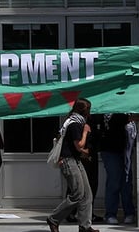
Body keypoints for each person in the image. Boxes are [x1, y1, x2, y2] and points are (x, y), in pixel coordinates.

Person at [46, 98, 100, 232]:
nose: (90, 113)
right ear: (84, 111)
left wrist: (84, 153)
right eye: (88, 110)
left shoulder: (71, 121)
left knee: (87, 194)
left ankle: (85, 226)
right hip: (69, 161)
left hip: (75, 160)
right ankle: (54, 218)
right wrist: (86, 131)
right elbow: (79, 145)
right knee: (77, 194)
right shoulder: (75, 124)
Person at [99, 113, 136, 225]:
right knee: (114, 182)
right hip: (110, 150)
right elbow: (130, 118)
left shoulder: (123, 112)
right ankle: (111, 214)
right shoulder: (110, 112)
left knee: (126, 182)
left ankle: (129, 212)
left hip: (125, 150)